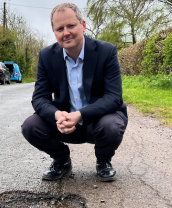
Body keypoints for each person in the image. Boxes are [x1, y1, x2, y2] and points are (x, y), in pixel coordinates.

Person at [21, 2, 128, 182]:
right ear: (54, 32)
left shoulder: (106, 51)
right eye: (60, 28)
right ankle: (62, 161)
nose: (66, 33)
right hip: (63, 124)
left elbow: (114, 97)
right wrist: (57, 115)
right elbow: (39, 98)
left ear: (83, 25)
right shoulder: (46, 57)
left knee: (112, 126)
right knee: (30, 126)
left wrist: (80, 114)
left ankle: (103, 161)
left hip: (97, 122)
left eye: (71, 25)